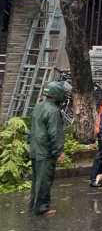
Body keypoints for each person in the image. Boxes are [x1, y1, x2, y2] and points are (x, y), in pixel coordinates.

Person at [27, 82, 66, 216]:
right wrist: (59, 151)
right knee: (44, 180)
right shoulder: (54, 111)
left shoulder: (38, 107)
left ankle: (33, 205)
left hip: (35, 149)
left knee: (36, 179)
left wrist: (29, 143)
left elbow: (30, 126)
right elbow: (55, 133)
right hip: (45, 151)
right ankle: (42, 208)